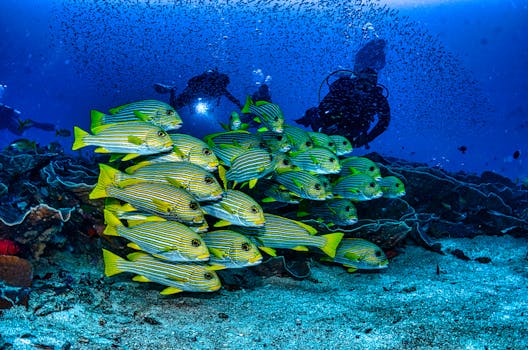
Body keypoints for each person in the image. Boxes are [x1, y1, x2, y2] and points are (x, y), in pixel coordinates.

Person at [295, 39, 390, 149]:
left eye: (368, 85)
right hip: (329, 124)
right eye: (361, 83)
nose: (363, 89)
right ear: (356, 80)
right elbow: (322, 107)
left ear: (374, 84)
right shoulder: (344, 85)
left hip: (353, 133)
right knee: (312, 113)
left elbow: (384, 122)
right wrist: (325, 125)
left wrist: (367, 138)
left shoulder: (378, 98)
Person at [154, 68, 242, 110]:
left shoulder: (221, 89)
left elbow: (231, 98)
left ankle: (172, 90)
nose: (223, 86)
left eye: (224, 84)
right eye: (223, 83)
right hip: (191, 95)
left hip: (197, 100)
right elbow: (192, 84)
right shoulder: (207, 82)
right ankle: (172, 90)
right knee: (173, 107)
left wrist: (240, 105)